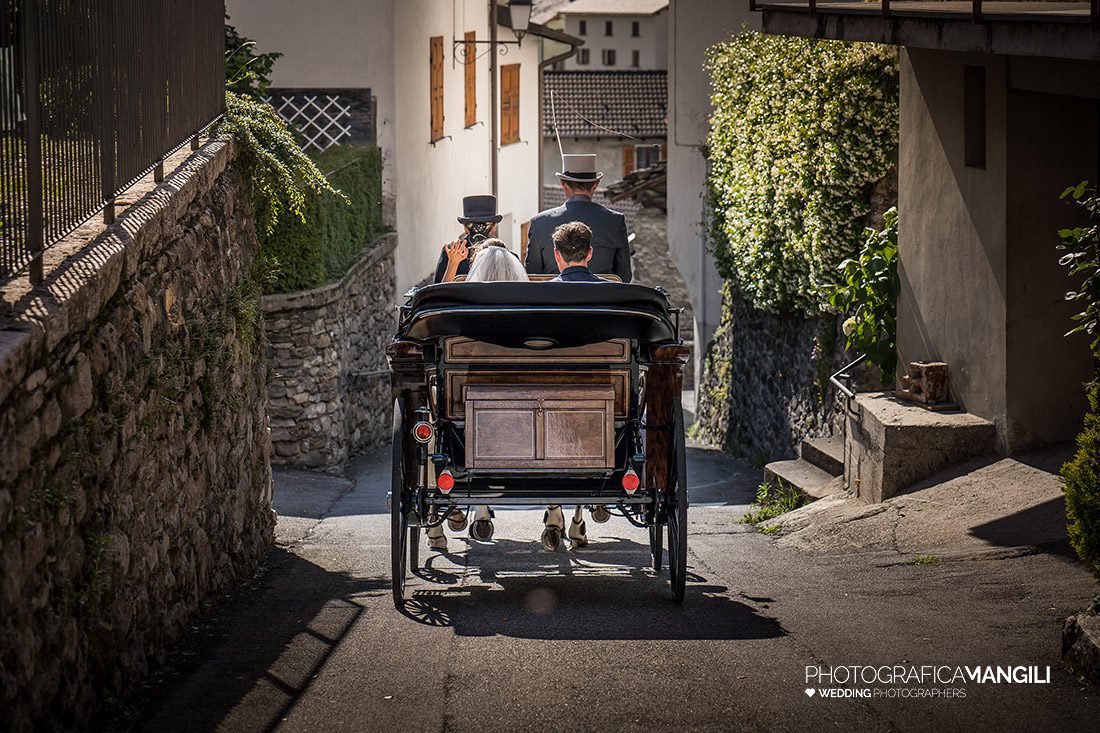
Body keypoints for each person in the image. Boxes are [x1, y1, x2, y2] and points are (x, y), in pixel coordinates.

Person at [425, 240, 529, 552]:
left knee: (434, 416)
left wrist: (452, 265)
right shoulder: (528, 310)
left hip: (465, 400)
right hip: (518, 399)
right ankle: (482, 509)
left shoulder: (463, 308)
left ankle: (439, 505)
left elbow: (433, 308)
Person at [525, 153, 631, 282]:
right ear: (596, 184)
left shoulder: (539, 223)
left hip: (553, 298)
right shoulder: (615, 221)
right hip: (603, 298)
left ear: (563, 184)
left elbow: (532, 275)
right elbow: (624, 276)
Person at [434, 195, 502, 283]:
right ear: (494, 228)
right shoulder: (506, 256)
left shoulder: (450, 252)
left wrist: (453, 264)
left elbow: (436, 293)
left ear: (465, 229)